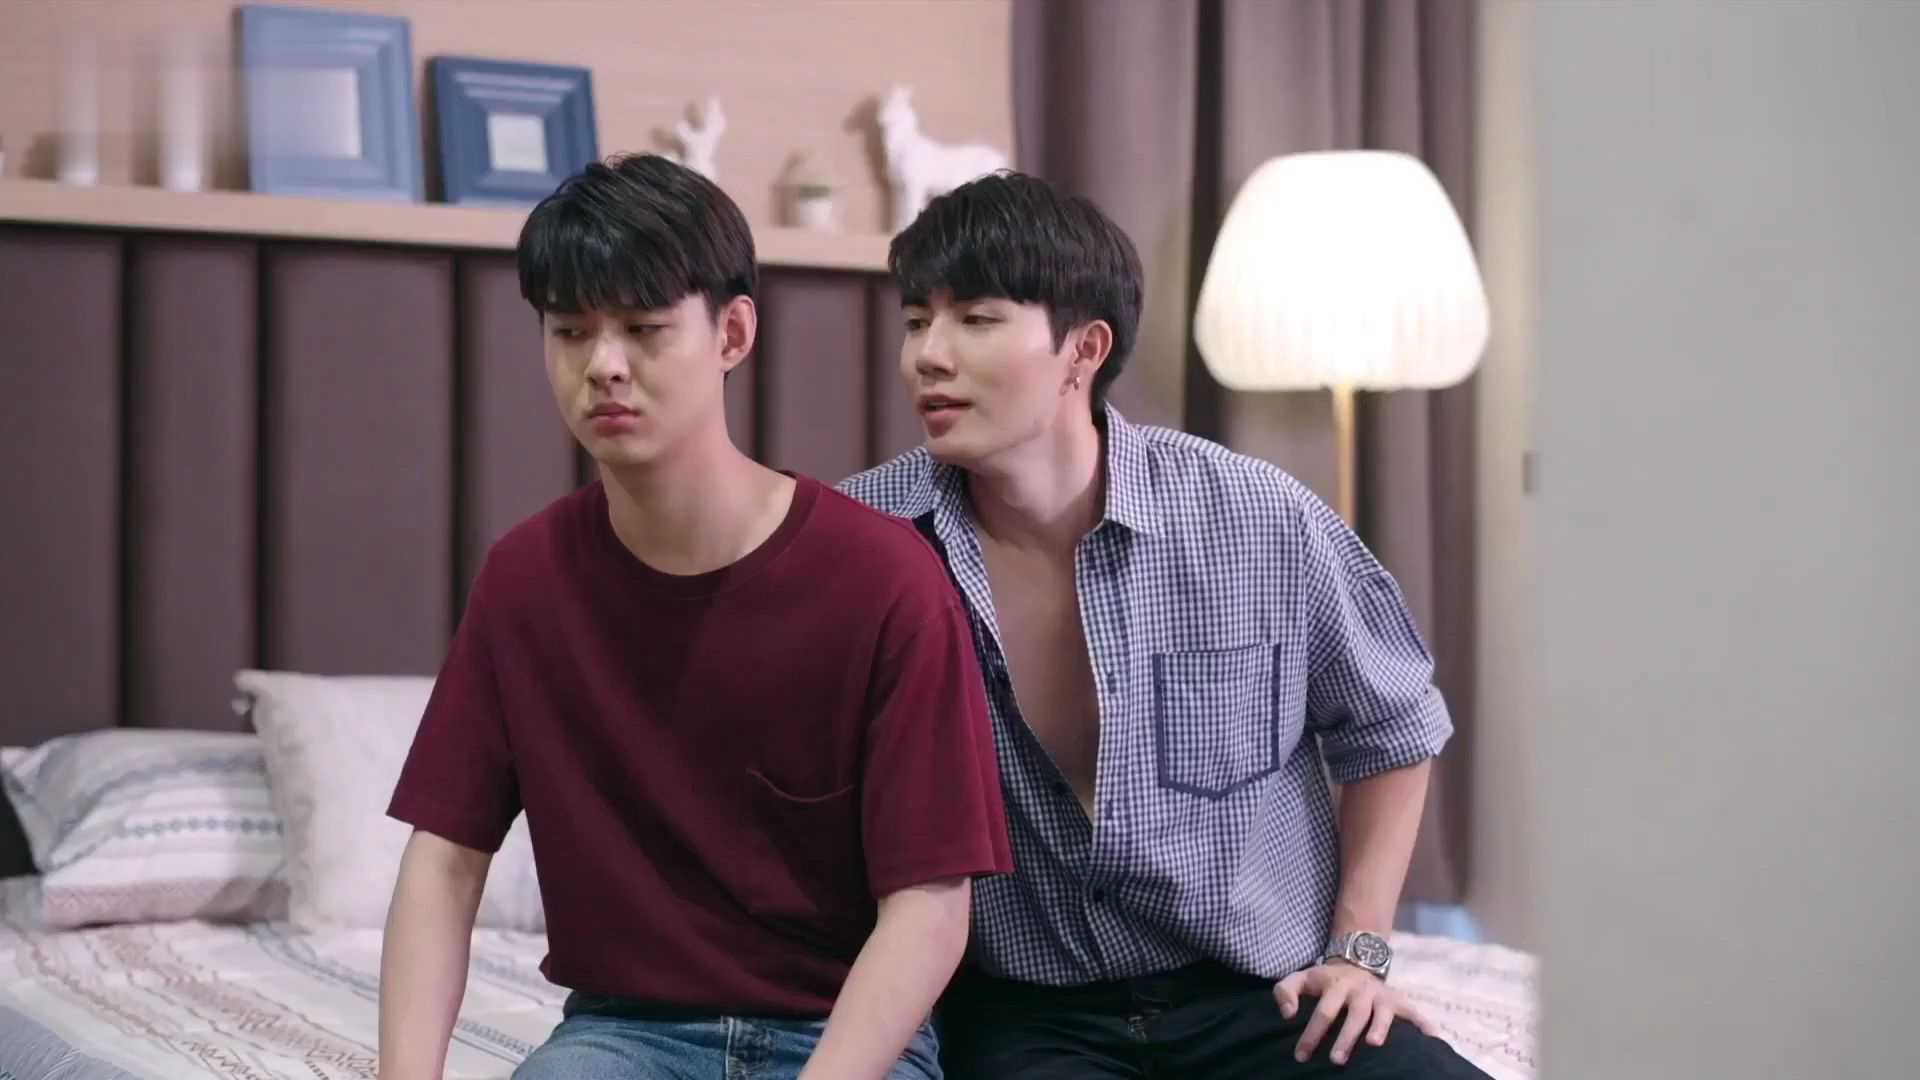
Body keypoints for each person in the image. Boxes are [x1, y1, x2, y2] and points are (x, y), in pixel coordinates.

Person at [838, 171, 1492, 1079]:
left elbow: (1394, 726)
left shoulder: (1257, 517)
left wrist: (1359, 951)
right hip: (1029, 1016)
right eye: (917, 321)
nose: (928, 356)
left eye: (976, 319)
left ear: (1084, 349)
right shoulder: (864, 542)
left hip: (1260, 994)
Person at [377, 154, 1013, 1080]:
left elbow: (931, 905)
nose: (603, 366)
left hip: (843, 1035)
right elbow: (444, 860)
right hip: (624, 1035)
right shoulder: (526, 581)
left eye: (644, 329)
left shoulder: (884, 579)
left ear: (733, 332)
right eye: (569, 331)